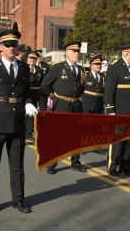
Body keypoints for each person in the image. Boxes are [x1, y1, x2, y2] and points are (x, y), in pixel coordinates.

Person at [0, 29, 37, 215]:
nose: (12, 48)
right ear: (0, 47)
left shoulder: (24, 68)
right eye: (8, 45)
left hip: (18, 122)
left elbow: (27, 93)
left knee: (17, 165)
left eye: (15, 45)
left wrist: (27, 104)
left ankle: (18, 200)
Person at [40, 41, 87, 174]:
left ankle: (76, 161)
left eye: (77, 52)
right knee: (58, 134)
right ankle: (53, 162)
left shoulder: (81, 70)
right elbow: (45, 85)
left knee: (76, 135)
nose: (76, 54)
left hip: (76, 105)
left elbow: (82, 87)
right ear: (67, 53)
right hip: (61, 104)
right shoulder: (58, 68)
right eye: (74, 52)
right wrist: (54, 97)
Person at [104, 43, 130, 176]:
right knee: (117, 140)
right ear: (125, 54)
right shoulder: (115, 68)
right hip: (119, 111)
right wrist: (110, 110)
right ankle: (113, 167)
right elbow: (109, 91)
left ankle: (125, 167)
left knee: (129, 140)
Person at [25, 51, 44, 140]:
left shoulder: (40, 70)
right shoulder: (23, 68)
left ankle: (28, 134)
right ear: (27, 59)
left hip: (35, 94)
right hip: (25, 94)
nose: (32, 60)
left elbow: (42, 83)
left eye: (34, 59)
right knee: (22, 113)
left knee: (31, 114)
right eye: (31, 58)